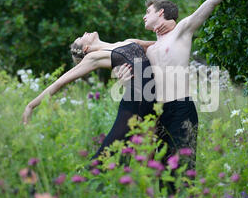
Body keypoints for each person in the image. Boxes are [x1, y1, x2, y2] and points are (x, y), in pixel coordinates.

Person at [141, 0, 248, 193]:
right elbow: (119, 49)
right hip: (158, 113)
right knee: (162, 172)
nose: (144, 17)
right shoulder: (150, 48)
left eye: (148, 12)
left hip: (180, 108)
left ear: (161, 12)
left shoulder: (181, 31)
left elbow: (212, 1)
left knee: (183, 171)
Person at [22, 21, 175, 162]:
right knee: (109, 152)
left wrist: (166, 25)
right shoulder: (93, 57)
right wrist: (31, 105)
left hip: (153, 100)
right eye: (82, 38)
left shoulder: (128, 42)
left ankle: (143, 190)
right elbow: (59, 83)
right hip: (136, 100)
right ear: (86, 49)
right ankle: (86, 179)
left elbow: (160, 46)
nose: (85, 32)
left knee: (148, 155)